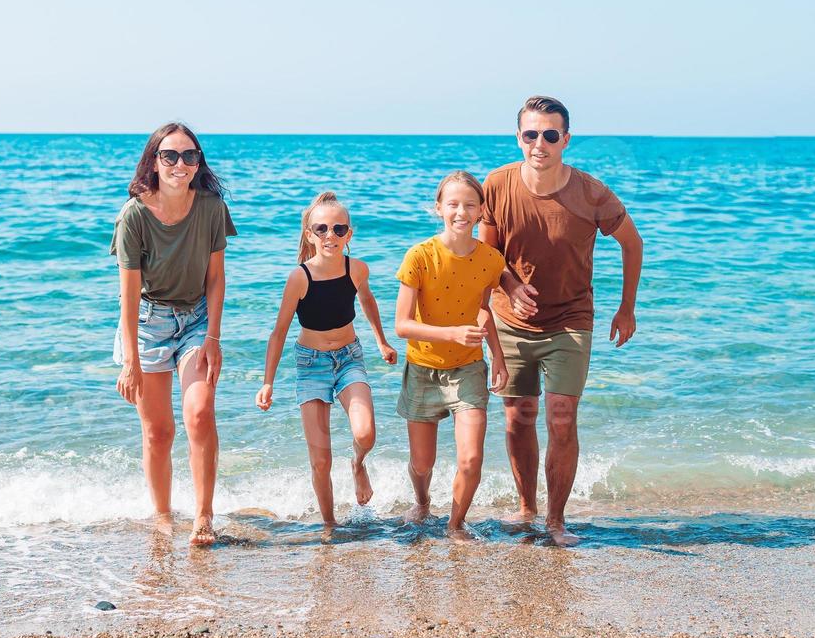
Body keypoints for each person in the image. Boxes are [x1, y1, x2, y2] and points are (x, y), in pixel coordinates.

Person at [480, 95, 643, 546]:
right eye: (531, 134)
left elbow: (633, 244)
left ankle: (555, 520)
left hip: (571, 318)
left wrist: (626, 308)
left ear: (565, 140)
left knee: (562, 416)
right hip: (511, 319)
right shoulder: (496, 184)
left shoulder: (592, 192)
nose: (540, 143)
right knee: (517, 416)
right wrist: (511, 287)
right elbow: (487, 254)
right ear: (518, 138)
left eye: (550, 135)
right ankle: (527, 508)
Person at [111, 122, 236, 546]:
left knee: (199, 413)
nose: (179, 164)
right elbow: (127, 295)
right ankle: (163, 515)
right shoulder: (134, 215)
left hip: (197, 320)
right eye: (170, 156)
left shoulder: (211, 207)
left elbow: (216, 278)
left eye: (189, 156)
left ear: (198, 163)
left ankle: (204, 517)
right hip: (148, 325)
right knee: (158, 431)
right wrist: (130, 361)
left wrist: (214, 338)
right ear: (154, 161)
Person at [255, 192, 398, 530]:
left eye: (338, 229)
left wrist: (382, 341)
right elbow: (278, 332)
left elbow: (367, 301)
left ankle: (358, 465)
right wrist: (267, 382)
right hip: (311, 365)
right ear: (310, 235)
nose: (329, 235)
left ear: (349, 234)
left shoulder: (357, 269)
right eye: (321, 229)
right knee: (320, 459)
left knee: (365, 434)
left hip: (350, 358)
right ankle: (330, 526)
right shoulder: (299, 278)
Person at [394, 171, 510, 539]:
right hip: (423, 368)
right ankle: (423, 501)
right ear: (439, 208)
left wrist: (499, 357)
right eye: (454, 204)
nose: (461, 211)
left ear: (480, 212)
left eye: (470, 205)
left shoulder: (490, 260)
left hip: (469, 369)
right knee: (422, 462)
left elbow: (483, 309)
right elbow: (402, 325)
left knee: (471, 458)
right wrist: (451, 333)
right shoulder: (420, 256)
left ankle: (456, 524)